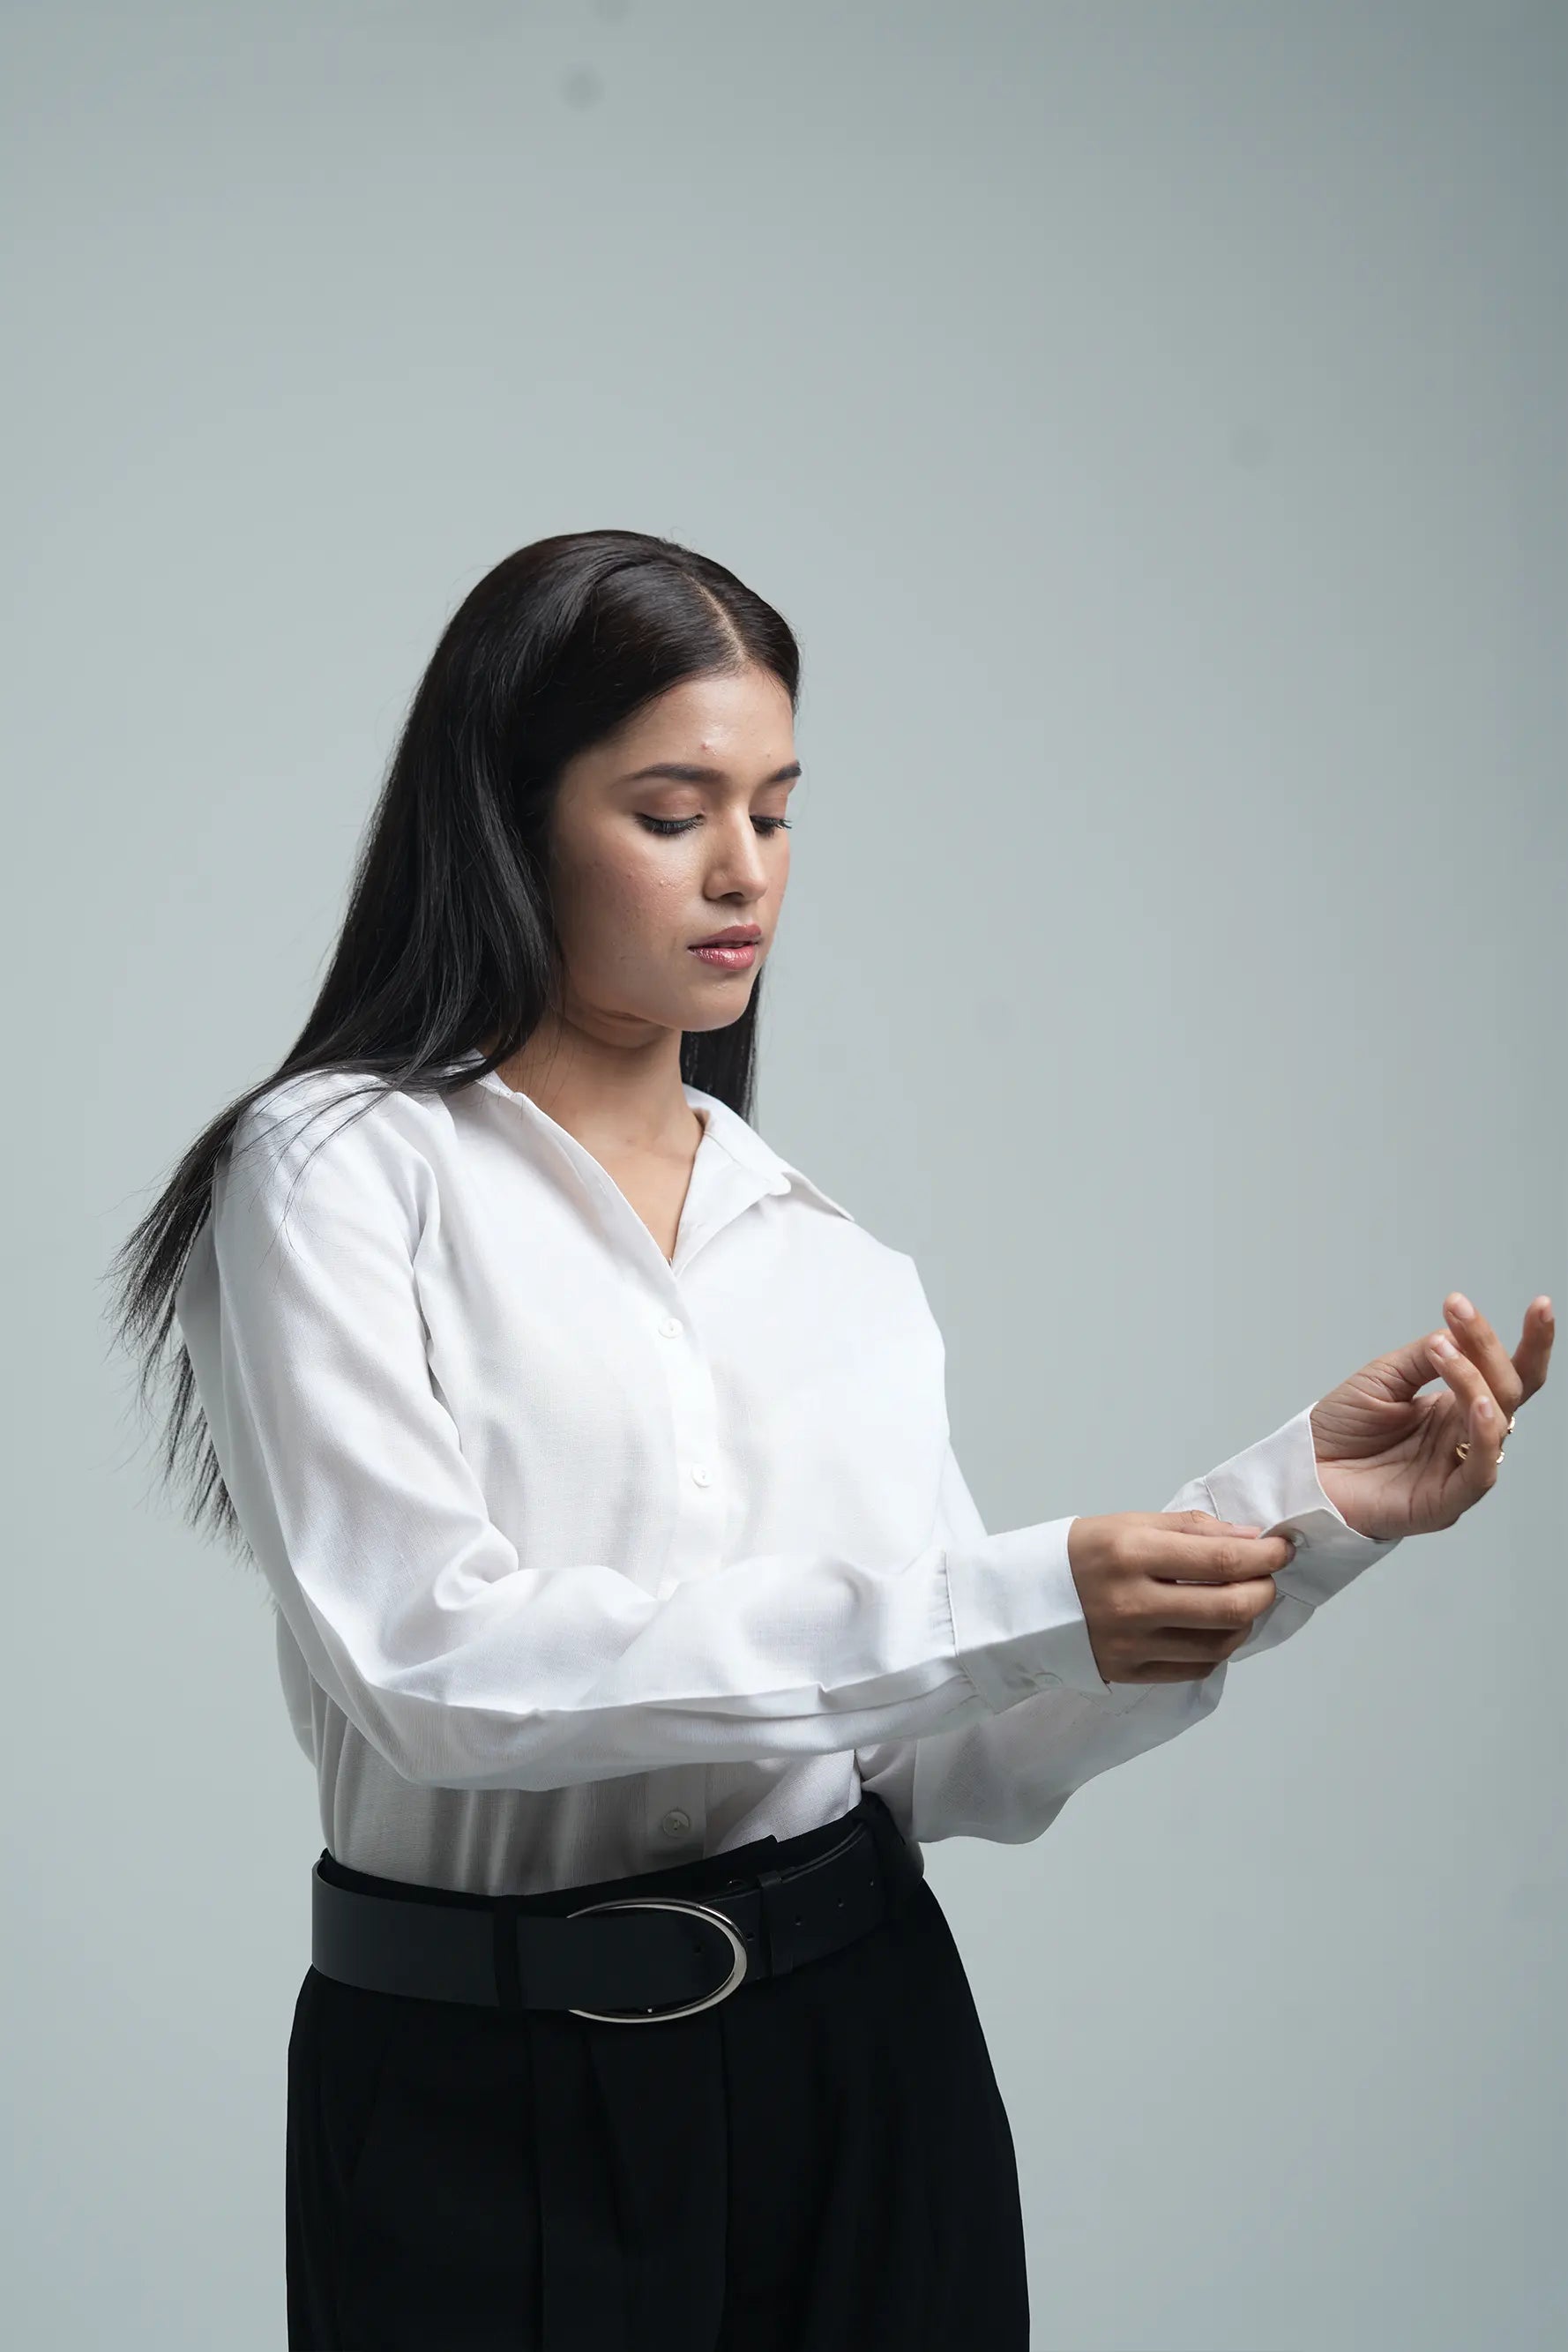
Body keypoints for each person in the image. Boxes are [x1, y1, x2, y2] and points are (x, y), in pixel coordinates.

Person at [108, 529, 1552, 2352]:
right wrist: (1012, 1597)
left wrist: (1298, 1516)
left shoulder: (835, 1261)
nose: (744, 869)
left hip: (868, 2070)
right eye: (671, 810)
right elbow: (431, 1665)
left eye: (776, 812)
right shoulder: (335, 1166)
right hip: (472, 2099)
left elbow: (942, 1755)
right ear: (508, 814)